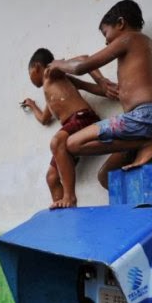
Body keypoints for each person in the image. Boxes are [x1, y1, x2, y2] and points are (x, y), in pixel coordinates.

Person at [49, 0, 152, 200]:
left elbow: (81, 66)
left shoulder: (128, 40)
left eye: (106, 33)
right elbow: (122, 90)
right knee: (105, 176)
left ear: (120, 23)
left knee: (72, 144)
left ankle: (145, 144)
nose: (107, 42)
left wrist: (57, 65)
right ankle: (136, 209)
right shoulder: (151, 47)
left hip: (144, 117)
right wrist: (84, 85)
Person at [21, 47, 116, 208]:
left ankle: (69, 197)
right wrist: (32, 105)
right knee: (51, 177)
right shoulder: (50, 88)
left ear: (37, 67)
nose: (30, 78)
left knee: (56, 141)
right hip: (71, 126)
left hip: (82, 118)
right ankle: (66, 215)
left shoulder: (52, 72)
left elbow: (84, 58)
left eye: (29, 72)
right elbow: (44, 119)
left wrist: (102, 81)